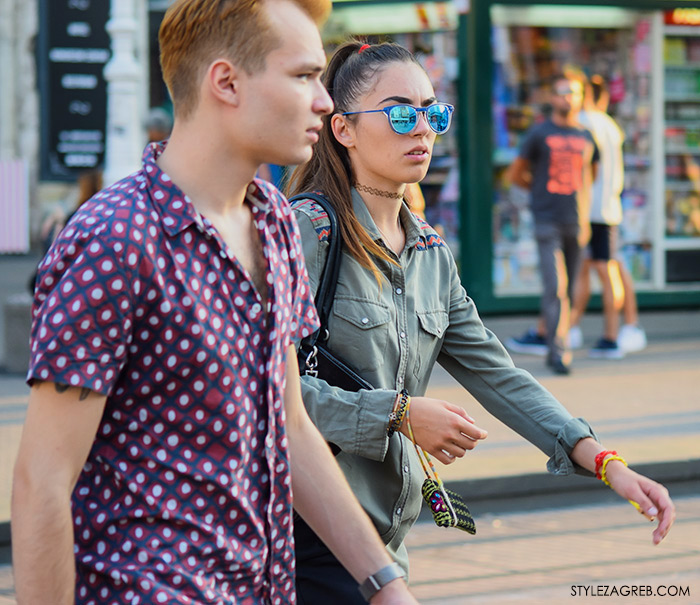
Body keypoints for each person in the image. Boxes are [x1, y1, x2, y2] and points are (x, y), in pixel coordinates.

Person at [11, 2, 419, 604]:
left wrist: (384, 584)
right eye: (304, 76)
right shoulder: (114, 239)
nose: (325, 100)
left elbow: (290, 424)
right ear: (226, 82)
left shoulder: (276, 220)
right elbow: (41, 480)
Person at [287, 41, 674, 603]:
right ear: (343, 129)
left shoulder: (431, 254)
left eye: (432, 113)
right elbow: (264, 393)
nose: (421, 129)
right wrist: (396, 414)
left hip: (387, 540)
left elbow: (497, 372)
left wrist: (604, 460)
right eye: (400, 113)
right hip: (311, 535)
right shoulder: (305, 233)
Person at [505, 72, 600, 375]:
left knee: (570, 288)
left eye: (572, 92)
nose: (566, 98)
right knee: (555, 286)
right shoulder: (539, 133)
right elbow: (515, 173)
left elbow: (591, 174)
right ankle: (559, 350)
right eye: (561, 92)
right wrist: (537, 189)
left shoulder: (587, 136)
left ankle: (558, 342)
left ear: (580, 97)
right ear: (552, 98)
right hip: (547, 221)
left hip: (577, 222)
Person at [569, 75, 647, 357]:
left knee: (605, 267)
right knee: (594, 266)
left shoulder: (584, 122)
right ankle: (571, 328)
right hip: (606, 206)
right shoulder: (610, 125)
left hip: (593, 208)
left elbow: (591, 170)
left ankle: (613, 335)